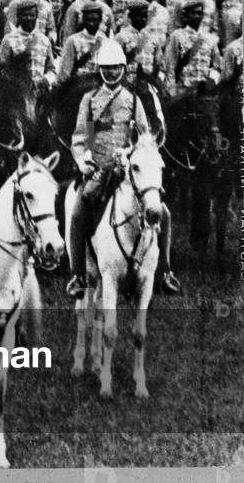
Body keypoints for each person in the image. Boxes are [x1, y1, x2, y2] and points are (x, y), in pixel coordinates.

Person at [67, 39, 179, 298]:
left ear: (124, 69)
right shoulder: (90, 99)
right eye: (106, 68)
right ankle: (77, 274)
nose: (111, 73)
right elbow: (82, 137)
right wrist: (84, 159)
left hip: (129, 171)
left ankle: (165, 272)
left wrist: (130, 154)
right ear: (100, 70)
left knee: (164, 213)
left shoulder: (133, 100)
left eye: (116, 68)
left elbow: (145, 138)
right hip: (98, 168)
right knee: (78, 210)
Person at [164, 0, 222, 98]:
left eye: (199, 13)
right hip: (183, 90)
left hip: (203, 91)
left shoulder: (209, 38)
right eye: (193, 13)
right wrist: (171, 91)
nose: (196, 16)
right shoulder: (177, 36)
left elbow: (217, 64)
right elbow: (170, 66)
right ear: (186, 15)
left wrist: (212, 78)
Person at [0, 0, 56, 89]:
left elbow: (52, 70)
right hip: (17, 92)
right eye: (25, 15)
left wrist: (47, 79)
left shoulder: (44, 40)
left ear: (36, 17)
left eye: (32, 15)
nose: (28, 18)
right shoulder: (9, 40)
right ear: (19, 16)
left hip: (40, 92)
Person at [115, 0, 164, 86]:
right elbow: (116, 64)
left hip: (148, 82)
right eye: (140, 16)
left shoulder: (153, 37)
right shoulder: (121, 37)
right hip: (128, 82)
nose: (143, 19)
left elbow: (157, 62)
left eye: (145, 16)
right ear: (131, 16)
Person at [57, 0, 107, 85]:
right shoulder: (73, 40)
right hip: (78, 87)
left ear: (100, 20)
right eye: (88, 20)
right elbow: (65, 73)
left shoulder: (106, 41)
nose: (91, 23)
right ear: (83, 20)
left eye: (95, 20)